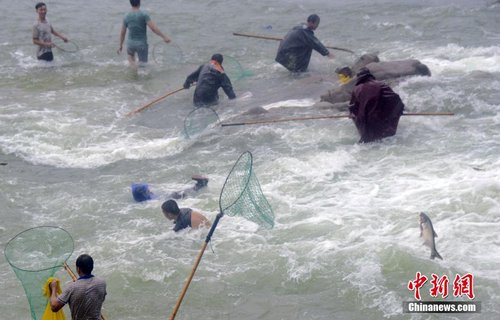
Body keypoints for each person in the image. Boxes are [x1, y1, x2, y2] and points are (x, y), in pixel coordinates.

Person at [349, 68, 405, 143]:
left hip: (365, 125)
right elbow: (395, 99)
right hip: (380, 122)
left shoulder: (356, 89)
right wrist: (398, 111)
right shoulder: (381, 85)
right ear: (369, 75)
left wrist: (353, 115)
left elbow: (353, 108)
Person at [50, 254, 107, 320]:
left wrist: (53, 288)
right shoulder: (102, 283)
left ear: (78, 269)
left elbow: (54, 307)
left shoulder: (72, 287)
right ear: (92, 267)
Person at [118, 0, 171, 67]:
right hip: (141, 45)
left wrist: (120, 45)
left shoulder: (126, 16)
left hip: (130, 44)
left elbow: (123, 32)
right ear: (139, 3)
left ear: (130, 3)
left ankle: (133, 70)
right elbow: (153, 28)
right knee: (143, 66)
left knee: (131, 61)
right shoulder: (144, 15)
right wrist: (164, 37)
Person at [131, 175, 209, 202]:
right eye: (147, 190)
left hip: (165, 198)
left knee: (184, 192)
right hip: (168, 198)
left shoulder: (140, 199)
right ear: (144, 193)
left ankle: (200, 185)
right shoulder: (148, 197)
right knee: (184, 193)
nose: (150, 190)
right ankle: (201, 184)